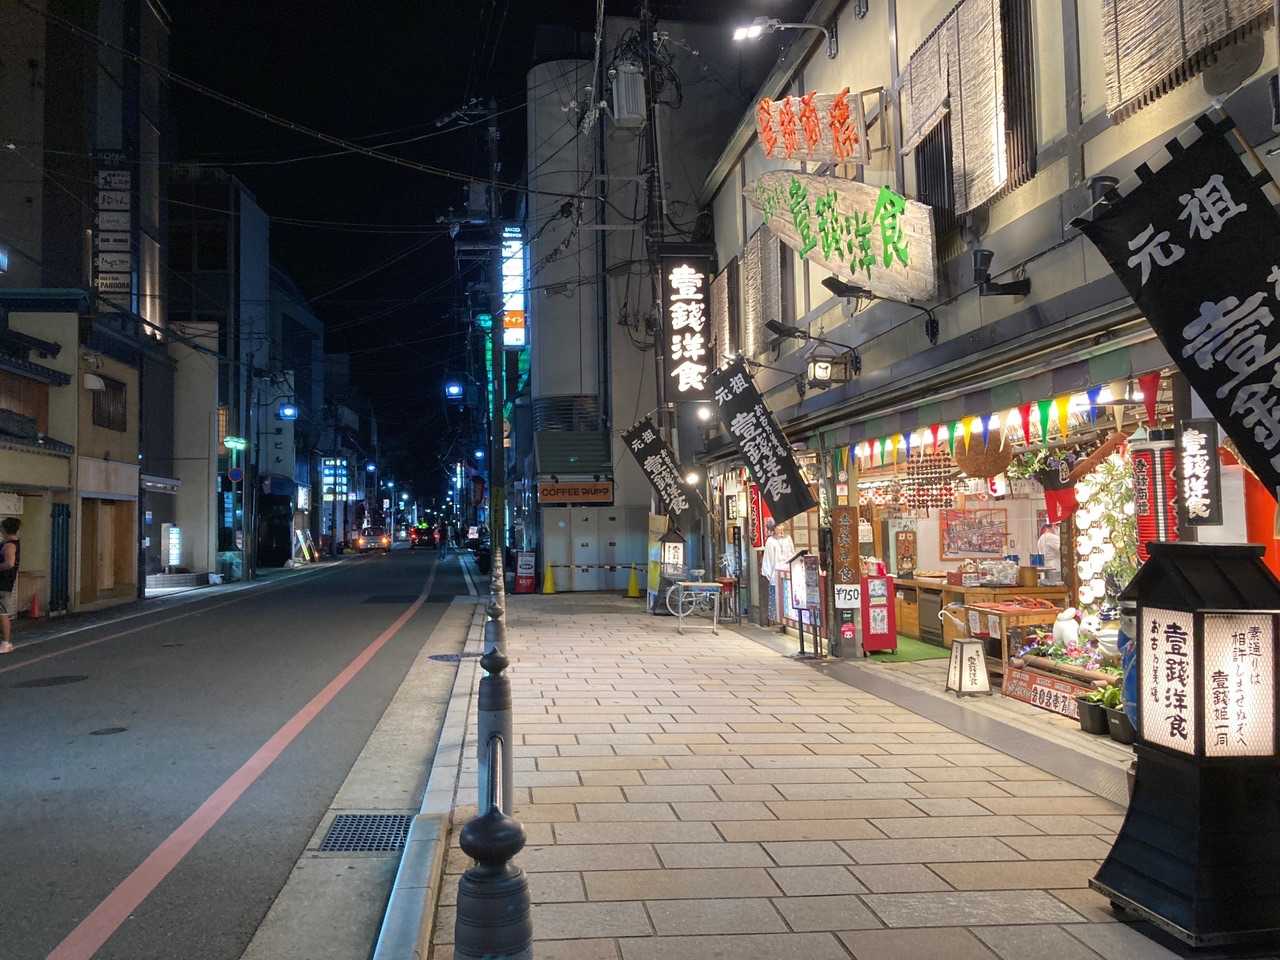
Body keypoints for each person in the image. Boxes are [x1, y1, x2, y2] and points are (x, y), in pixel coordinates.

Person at [760, 519, 795, 631]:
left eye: (782, 525)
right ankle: (779, 622)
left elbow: (792, 553)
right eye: (778, 526)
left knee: (789, 597)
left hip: (788, 571)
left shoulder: (788, 539)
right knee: (778, 598)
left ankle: (789, 622)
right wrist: (770, 574)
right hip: (776, 573)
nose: (781, 528)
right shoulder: (770, 541)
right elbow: (768, 560)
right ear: (773, 529)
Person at [0, 517, 20, 654]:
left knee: (2, 613)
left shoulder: (10, 545)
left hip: (3, 583)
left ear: (4, 529)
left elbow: (9, 563)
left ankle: (6, 643)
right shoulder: (9, 543)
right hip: (4, 582)